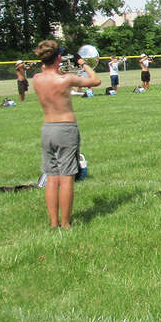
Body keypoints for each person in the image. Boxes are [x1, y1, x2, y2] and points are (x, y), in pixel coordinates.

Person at [32, 41, 100, 228]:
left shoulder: (37, 79)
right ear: (58, 58)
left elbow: (50, 73)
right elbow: (95, 80)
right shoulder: (66, 79)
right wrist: (83, 64)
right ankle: (66, 223)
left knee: (52, 177)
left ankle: (53, 223)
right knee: (67, 177)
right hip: (66, 128)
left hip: (47, 129)